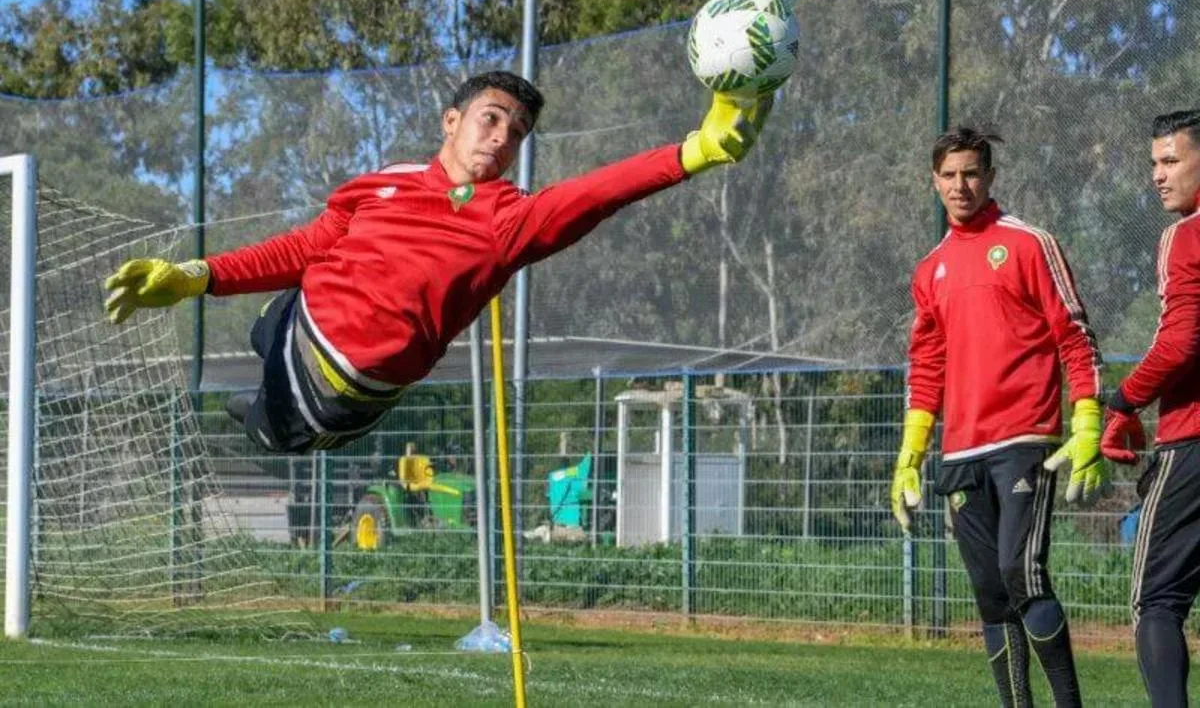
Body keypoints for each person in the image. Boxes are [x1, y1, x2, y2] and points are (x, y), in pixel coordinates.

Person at [103, 71, 773, 453]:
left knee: (269, 434)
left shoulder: (508, 219)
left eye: (516, 132)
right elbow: (306, 248)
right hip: (302, 325)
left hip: (345, 394)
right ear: (451, 121)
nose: (502, 138)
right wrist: (193, 275)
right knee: (274, 314)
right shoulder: (381, 184)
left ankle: (255, 410)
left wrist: (696, 150)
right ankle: (263, 348)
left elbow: (595, 193)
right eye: (491, 119)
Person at [890, 126, 1106, 708]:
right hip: (961, 452)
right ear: (933, 182)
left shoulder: (1029, 243)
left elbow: (1075, 335)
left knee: (1021, 575)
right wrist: (910, 455)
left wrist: (1087, 420)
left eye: (971, 173)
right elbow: (926, 366)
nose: (960, 185)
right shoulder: (930, 269)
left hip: (1024, 440)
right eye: (949, 175)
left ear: (990, 176)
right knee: (990, 594)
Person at [1101, 109, 1200, 708]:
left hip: (1192, 442)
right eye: (1154, 164)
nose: (1157, 176)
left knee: (1157, 600)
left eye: (1171, 161)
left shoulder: (1185, 235)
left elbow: (1182, 341)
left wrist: (1123, 400)